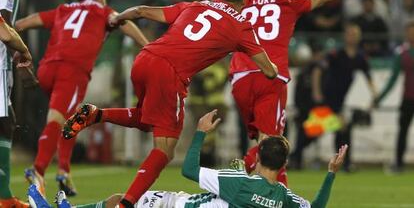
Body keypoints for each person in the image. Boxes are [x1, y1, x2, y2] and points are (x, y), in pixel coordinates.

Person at [63, 0, 277, 208]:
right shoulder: (241, 27)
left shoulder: (194, 6)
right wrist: (273, 62)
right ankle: (127, 204)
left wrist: (117, 18)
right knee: (165, 150)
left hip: (144, 59)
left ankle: (96, 114)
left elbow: (142, 10)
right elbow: (269, 71)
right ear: (244, 1)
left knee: (146, 120)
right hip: (169, 73)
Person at [181, 0, 365, 184]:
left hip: (240, 79)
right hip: (270, 77)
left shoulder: (242, 2)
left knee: (266, 143)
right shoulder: (287, 4)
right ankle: (239, 171)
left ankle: (263, 187)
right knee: (273, 145)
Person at [28, 109, 348, 208]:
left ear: (258, 156)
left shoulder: (237, 182)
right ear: (284, 167)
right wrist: (331, 173)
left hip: (181, 205)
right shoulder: (282, 198)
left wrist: (198, 133)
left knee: (121, 201)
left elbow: (189, 169)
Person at [15, 0, 149, 196]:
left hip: (47, 68)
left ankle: (64, 172)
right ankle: (37, 169)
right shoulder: (102, 11)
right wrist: (148, 45)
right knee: (57, 120)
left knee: (72, 117)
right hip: (72, 70)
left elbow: (24, 23)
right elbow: (122, 21)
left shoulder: (64, 9)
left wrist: (14, 33)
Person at [313, 23, 377, 172]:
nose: (352, 37)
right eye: (349, 34)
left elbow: (368, 76)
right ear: (344, 36)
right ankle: (344, 163)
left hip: (340, 100)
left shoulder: (360, 57)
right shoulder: (336, 54)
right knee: (317, 131)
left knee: (341, 131)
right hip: (328, 97)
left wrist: (374, 94)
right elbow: (318, 69)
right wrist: (317, 92)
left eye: (354, 34)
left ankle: (343, 163)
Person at [0, 0, 34, 207]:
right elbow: (2, 24)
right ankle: (4, 197)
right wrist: (22, 50)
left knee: (6, 120)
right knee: (4, 122)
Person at [374, 21, 414, 173]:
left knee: (403, 131)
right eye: (409, 32)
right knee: (402, 132)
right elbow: (392, 79)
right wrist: (379, 98)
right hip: (408, 98)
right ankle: (399, 163)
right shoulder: (402, 53)